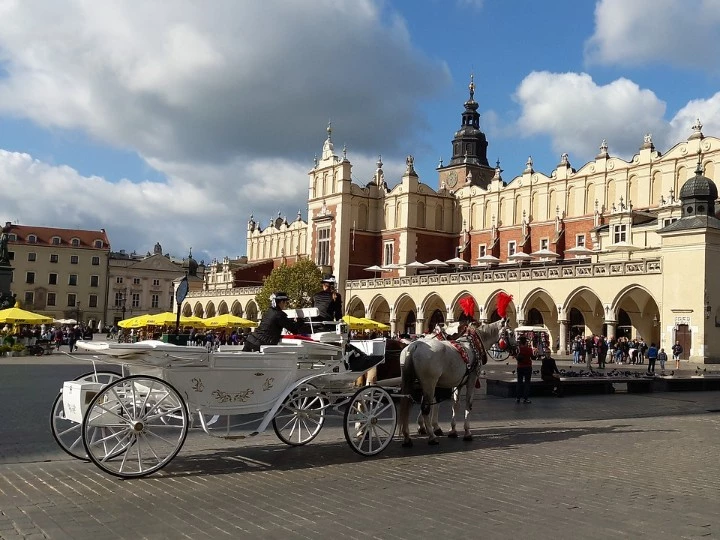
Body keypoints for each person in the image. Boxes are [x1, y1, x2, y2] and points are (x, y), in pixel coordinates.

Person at [514, 335, 534, 404]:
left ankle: (518, 398)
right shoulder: (529, 349)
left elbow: (515, 356)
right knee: (527, 383)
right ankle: (525, 399)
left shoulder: (518, 349)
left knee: (519, 382)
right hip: (528, 367)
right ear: (525, 342)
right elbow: (532, 357)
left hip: (520, 367)